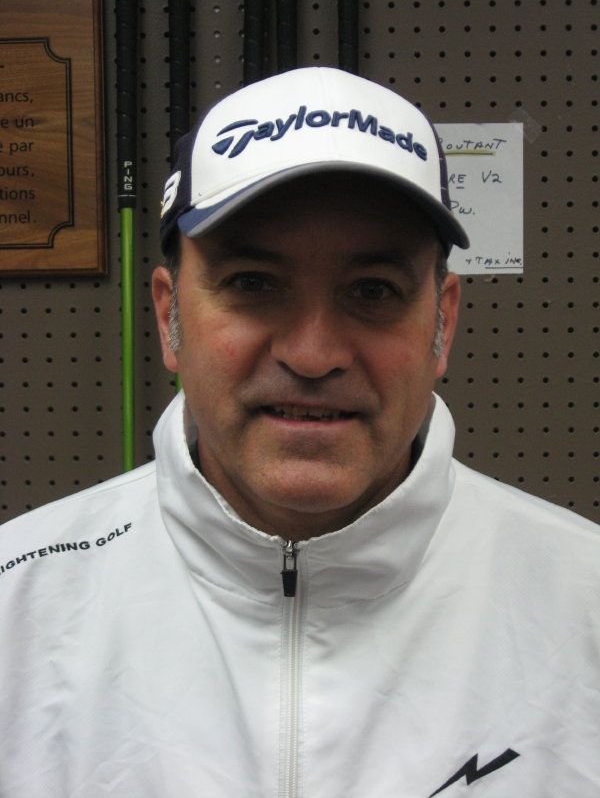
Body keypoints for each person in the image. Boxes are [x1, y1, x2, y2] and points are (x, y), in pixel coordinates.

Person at [0, 67, 598, 798]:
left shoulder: (585, 607)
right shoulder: (16, 610)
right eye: (253, 283)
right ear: (168, 316)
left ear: (442, 323)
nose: (313, 355)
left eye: (372, 291)